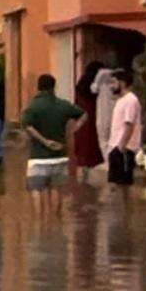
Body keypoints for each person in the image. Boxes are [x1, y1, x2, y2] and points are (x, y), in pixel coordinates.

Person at [20, 73, 87, 217]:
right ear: (54, 87)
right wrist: (74, 129)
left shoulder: (32, 107)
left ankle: (41, 226)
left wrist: (44, 141)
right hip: (60, 157)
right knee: (56, 189)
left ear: (38, 87)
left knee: (37, 190)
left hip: (38, 157)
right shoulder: (63, 105)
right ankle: (54, 223)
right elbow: (83, 114)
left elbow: (27, 126)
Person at [105, 70, 142, 188]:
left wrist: (121, 146)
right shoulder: (121, 100)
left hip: (124, 148)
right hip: (117, 147)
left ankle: (127, 206)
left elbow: (129, 124)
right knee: (116, 184)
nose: (112, 86)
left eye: (114, 82)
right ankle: (121, 206)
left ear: (122, 83)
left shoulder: (131, 100)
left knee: (123, 184)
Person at [72, 64, 107, 181]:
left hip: (81, 123)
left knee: (82, 149)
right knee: (93, 147)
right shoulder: (95, 88)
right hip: (94, 120)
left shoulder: (80, 86)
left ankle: (81, 175)